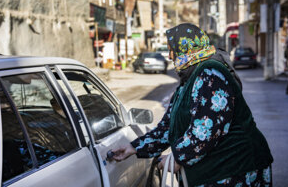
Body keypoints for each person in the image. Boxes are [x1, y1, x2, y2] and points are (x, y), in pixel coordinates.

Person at [112, 23, 273, 186]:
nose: (169, 56)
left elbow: (205, 131)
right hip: (219, 170)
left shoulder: (210, 73)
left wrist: (177, 156)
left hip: (238, 168)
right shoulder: (190, 79)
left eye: (172, 50)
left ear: (185, 47)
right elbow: (168, 128)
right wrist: (133, 148)